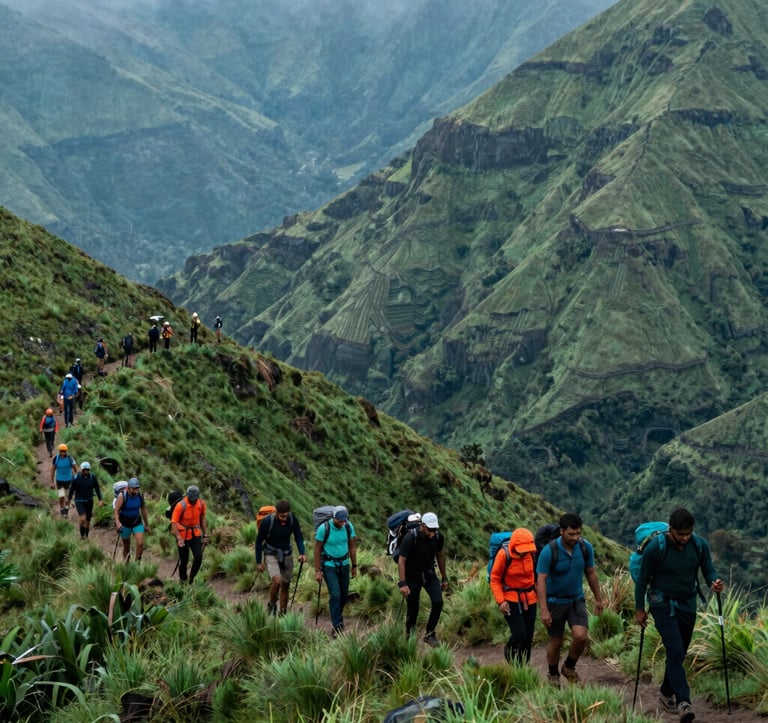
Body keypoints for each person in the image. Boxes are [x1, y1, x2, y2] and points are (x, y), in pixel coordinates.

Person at [635, 508, 723, 723]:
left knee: (679, 653)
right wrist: (639, 609)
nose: (684, 538)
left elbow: (708, 569)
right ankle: (684, 701)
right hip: (661, 602)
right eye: (680, 534)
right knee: (674, 649)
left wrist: (714, 582)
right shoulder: (656, 548)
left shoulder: (699, 544)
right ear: (670, 529)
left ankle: (665, 693)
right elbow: (642, 580)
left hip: (687, 603)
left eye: (688, 533)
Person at [535, 512, 605, 686]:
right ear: (561, 531)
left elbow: (591, 573)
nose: (575, 537)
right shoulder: (549, 551)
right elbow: (540, 580)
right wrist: (543, 608)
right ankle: (553, 675)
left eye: (578, 533)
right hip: (554, 601)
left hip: (576, 600)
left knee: (581, 637)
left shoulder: (585, 547)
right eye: (571, 534)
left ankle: (569, 667)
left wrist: (598, 599)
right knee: (556, 641)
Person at [397, 511, 448, 647]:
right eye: (430, 529)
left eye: (434, 529)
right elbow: (402, 560)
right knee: (413, 608)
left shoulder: (438, 537)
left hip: (429, 574)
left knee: (438, 602)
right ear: (422, 526)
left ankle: (429, 634)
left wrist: (444, 578)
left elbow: (440, 556)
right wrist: (403, 583)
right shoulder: (410, 538)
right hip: (412, 576)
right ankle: (409, 636)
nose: (432, 532)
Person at [489, 527, 538, 665]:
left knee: (529, 635)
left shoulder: (531, 554)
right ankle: (511, 656)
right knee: (519, 635)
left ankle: (523, 665)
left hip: (530, 597)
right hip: (510, 599)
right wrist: (501, 601)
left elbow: (535, 575)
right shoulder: (504, 555)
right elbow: (495, 579)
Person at [256, 499, 307, 615]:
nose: (284, 518)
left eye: (286, 515)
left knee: (286, 584)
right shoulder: (268, 521)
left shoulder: (293, 520)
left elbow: (298, 536)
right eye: (281, 516)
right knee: (277, 581)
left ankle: (282, 613)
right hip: (271, 553)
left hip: (287, 553)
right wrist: (259, 561)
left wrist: (302, 553)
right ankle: (272, 603)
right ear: (276, 513)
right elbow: (259, 541)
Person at [315, 505, 357, 636]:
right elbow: (317, 550)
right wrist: (317, 570)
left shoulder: (348, 527)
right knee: (336, 595)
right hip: (329, 565)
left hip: (344, 564)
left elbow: (352, 547)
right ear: (334, 518)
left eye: (344, 520)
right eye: (340, 521)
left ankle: (337, 618)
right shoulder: (324, 529)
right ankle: (337, 625)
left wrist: (354, 565)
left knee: (344, 595)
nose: (342, 523)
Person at [171, 485, 208, 583]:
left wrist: (205, 535)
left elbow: (202, 519)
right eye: (191, 499)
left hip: (195, 534)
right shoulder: (181, 505)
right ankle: (183, 580)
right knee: (184, 560)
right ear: (187, 495)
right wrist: (179, 538)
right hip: (182, 535)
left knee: (198, 556)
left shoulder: (200, 504)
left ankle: (191, 578)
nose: (193, 501)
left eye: (195, 499)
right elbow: (174, 522)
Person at [114, 477, 150, 562]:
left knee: (140, 543)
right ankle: (126, 564)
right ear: (128, 488)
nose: (135, 491)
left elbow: (143, 509)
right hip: (125, 523)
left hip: (136, 521)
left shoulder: (140, 495)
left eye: (137, 489)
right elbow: (116, 511)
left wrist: (147, 524)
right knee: (127, 546)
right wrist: (117, 522)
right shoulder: (122, 496)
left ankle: (137, 564)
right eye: (133, 489)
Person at [67, 461, 104, 539]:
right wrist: (69, 500)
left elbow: (97, 488)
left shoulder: (92, 477)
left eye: (87, 470)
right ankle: (81, 535)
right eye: (85, 470)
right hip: (79, 501)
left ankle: (86, 535)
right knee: (83, 518)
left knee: (88, 520)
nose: (86, 471)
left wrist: (100, 499)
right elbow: (72, 489)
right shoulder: (76, 478)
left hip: (89, 500)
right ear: (81, 469)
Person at [50, 443, 77, 516]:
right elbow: (52, 470)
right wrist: (52, 482)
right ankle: (62, 509)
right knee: (61, 496)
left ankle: (66, 509)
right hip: (59, 481)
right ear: (59, 451)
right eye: (61, 451)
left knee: (68, 497)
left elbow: (75, 469)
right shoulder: (56, 458)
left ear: (66, 451)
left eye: (64, 451)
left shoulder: (70, 459)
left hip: (68, 480)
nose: (63, 452)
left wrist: (77, 478)